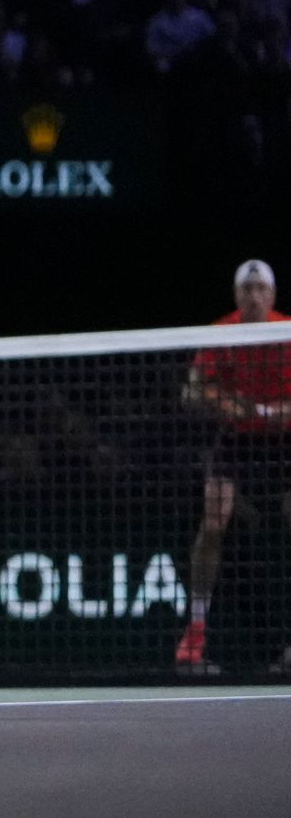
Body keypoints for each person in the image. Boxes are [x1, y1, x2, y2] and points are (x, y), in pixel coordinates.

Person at [179, 257, 291, 676]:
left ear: (273, 295)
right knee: (212, 524)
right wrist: (222, 402)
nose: (255, 296)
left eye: (262, 289)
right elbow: (191, 393)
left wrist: (284, 410)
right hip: (238, 439)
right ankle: (195, 633)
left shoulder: (288, 331)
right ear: (237, 295)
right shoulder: (221, 333)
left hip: (285, 438)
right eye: (247, 289)